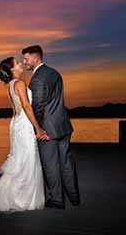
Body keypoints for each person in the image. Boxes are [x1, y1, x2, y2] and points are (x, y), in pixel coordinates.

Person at [0, 56, 46, 212]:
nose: (20, 63)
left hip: (15, 123)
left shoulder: (9, 85)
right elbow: (27, 107)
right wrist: (38, 128)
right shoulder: (19, 83)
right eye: (17, 63)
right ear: (12, 69)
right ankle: (23, 199)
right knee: (27, 159)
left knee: (20, 159)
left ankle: (17, 196)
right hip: (24, 123)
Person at [22, 45, 80, 209]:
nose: (24, 62)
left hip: (48, 130)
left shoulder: (38, 78)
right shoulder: (55, 73)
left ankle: (56, 200)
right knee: (66, 162)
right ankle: (74, 197)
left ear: (36, 58)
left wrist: (38, 129)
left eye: (26, 58)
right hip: (63, 125)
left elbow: (38, 106)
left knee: (51, 165)